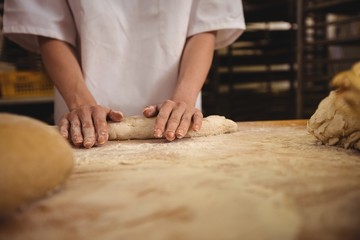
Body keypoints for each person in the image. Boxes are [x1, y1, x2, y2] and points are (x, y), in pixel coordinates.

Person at [3, 0, 245, 148]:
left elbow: (205, 24)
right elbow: (47, 25)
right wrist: (80, 104)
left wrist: (184, 98)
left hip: (181, 113)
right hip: (83, 116)